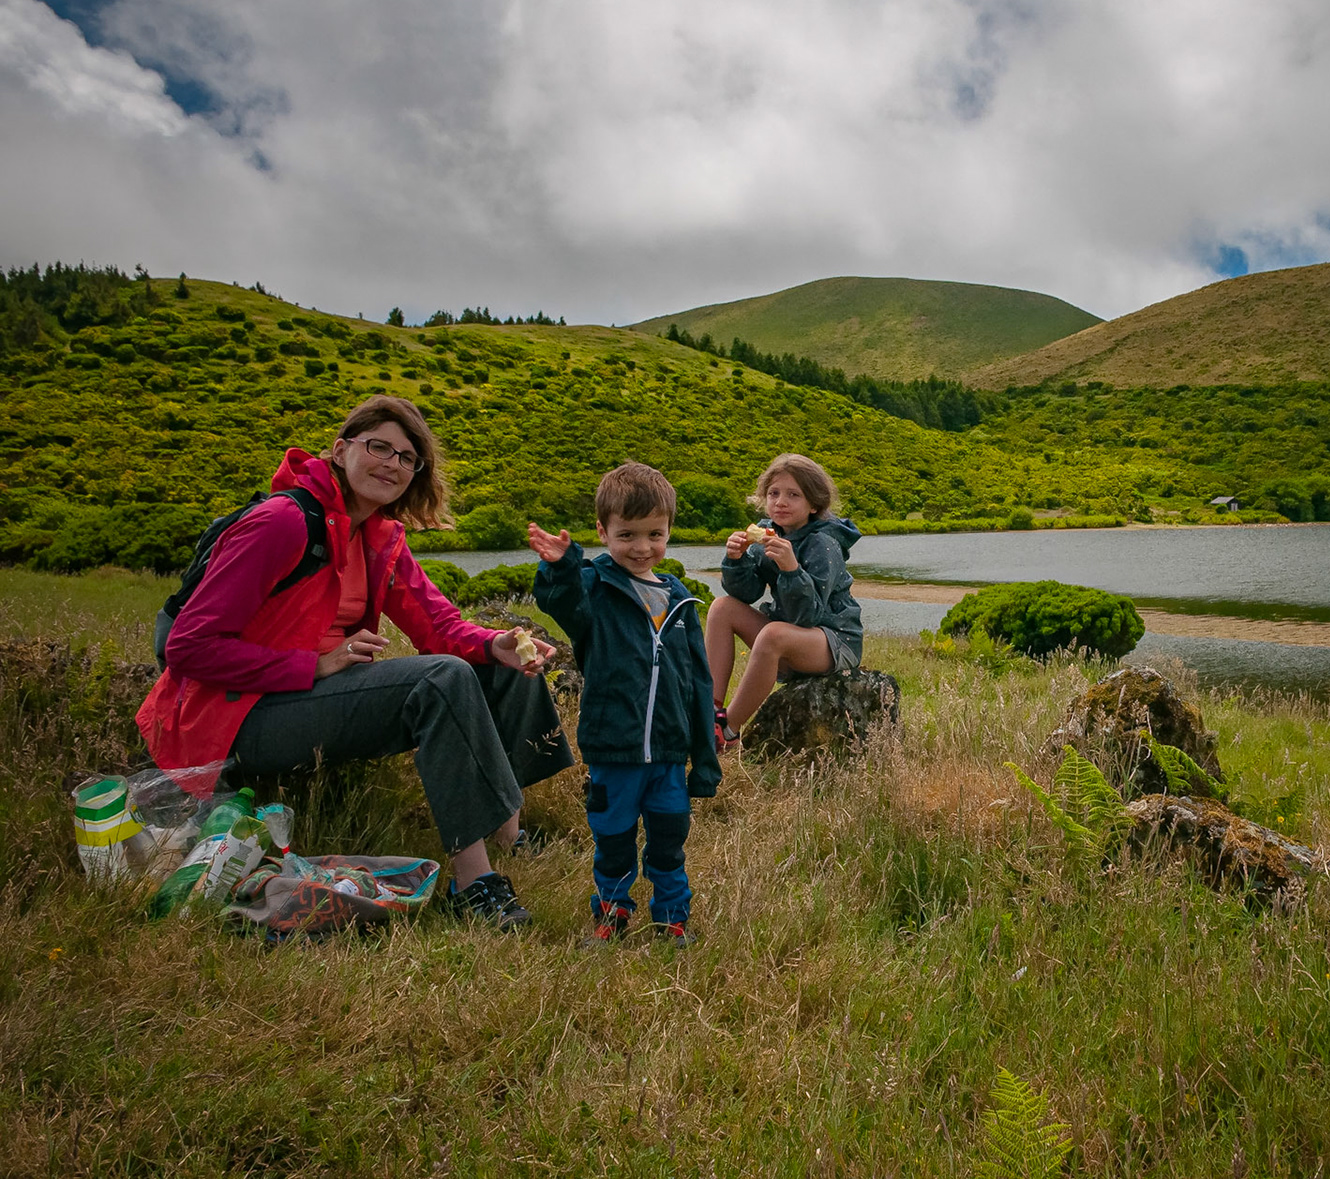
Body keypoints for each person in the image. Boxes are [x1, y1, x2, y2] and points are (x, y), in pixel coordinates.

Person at [135, 395, 572, 931]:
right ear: (341, 451)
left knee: (500, 661)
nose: (393, 464)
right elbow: (188, 645)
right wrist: (312, 665)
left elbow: (438, 626)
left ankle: (509, 834)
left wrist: (495, 642)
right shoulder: (283, 522)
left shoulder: (379, 537)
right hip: (236, 718)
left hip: (305, 701)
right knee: (443, 677)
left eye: (407, 457)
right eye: (379, 447)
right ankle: (474, 883)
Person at [528, 463, 719, 946]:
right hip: (613, 750)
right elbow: (559, 601)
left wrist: (705, 748)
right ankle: (611, 918)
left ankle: (672, 920)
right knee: (612, 842)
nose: (641, 547)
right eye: (627, 534)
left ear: (670, 530)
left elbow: (698, 680)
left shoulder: (679, 599)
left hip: (669, 753)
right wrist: (561, 565)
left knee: (669, 843)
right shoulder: (594, 586)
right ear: (602, 531)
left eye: (655, 534)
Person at [708, 453, 863, 746]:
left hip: (835, 640)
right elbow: (747, 594)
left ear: (814, 504)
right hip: (790, 635)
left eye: (794, 495)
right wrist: (736, 560)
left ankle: (727, 731)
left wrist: (791, 570)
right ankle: (711, 709)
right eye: (773, 493)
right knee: (722, 608)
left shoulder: (823, 544)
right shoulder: (769, 534)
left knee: (773, 634)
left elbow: (809, 617)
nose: (781, 502)